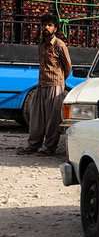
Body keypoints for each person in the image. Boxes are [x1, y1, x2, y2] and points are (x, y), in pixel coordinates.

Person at [17, 14, 71, 156]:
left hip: (55, 85)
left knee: (53, 120)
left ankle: (49, 148)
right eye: (44, 25)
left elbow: (68, 67)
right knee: (36, 119)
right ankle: (33, 145)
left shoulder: (59, 45)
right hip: (41, 85)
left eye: (49, 25)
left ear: (55, 28)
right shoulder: (41, 44)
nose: (46, 27)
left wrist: (60, 81)